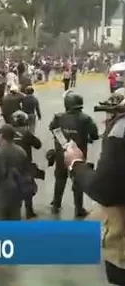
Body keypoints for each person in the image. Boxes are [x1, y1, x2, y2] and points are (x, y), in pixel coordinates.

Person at [64, 88, 125, 285]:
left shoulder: (119, 133)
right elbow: (93, 134)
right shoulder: (86, 120)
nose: (107, 121)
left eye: (111, 116)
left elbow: (104, 189)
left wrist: (75, 164)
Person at [0, 124, 35, 220]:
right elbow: (27, 174)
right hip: (16, 196)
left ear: (1, 136)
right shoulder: (21, 152)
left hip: (0, 196)